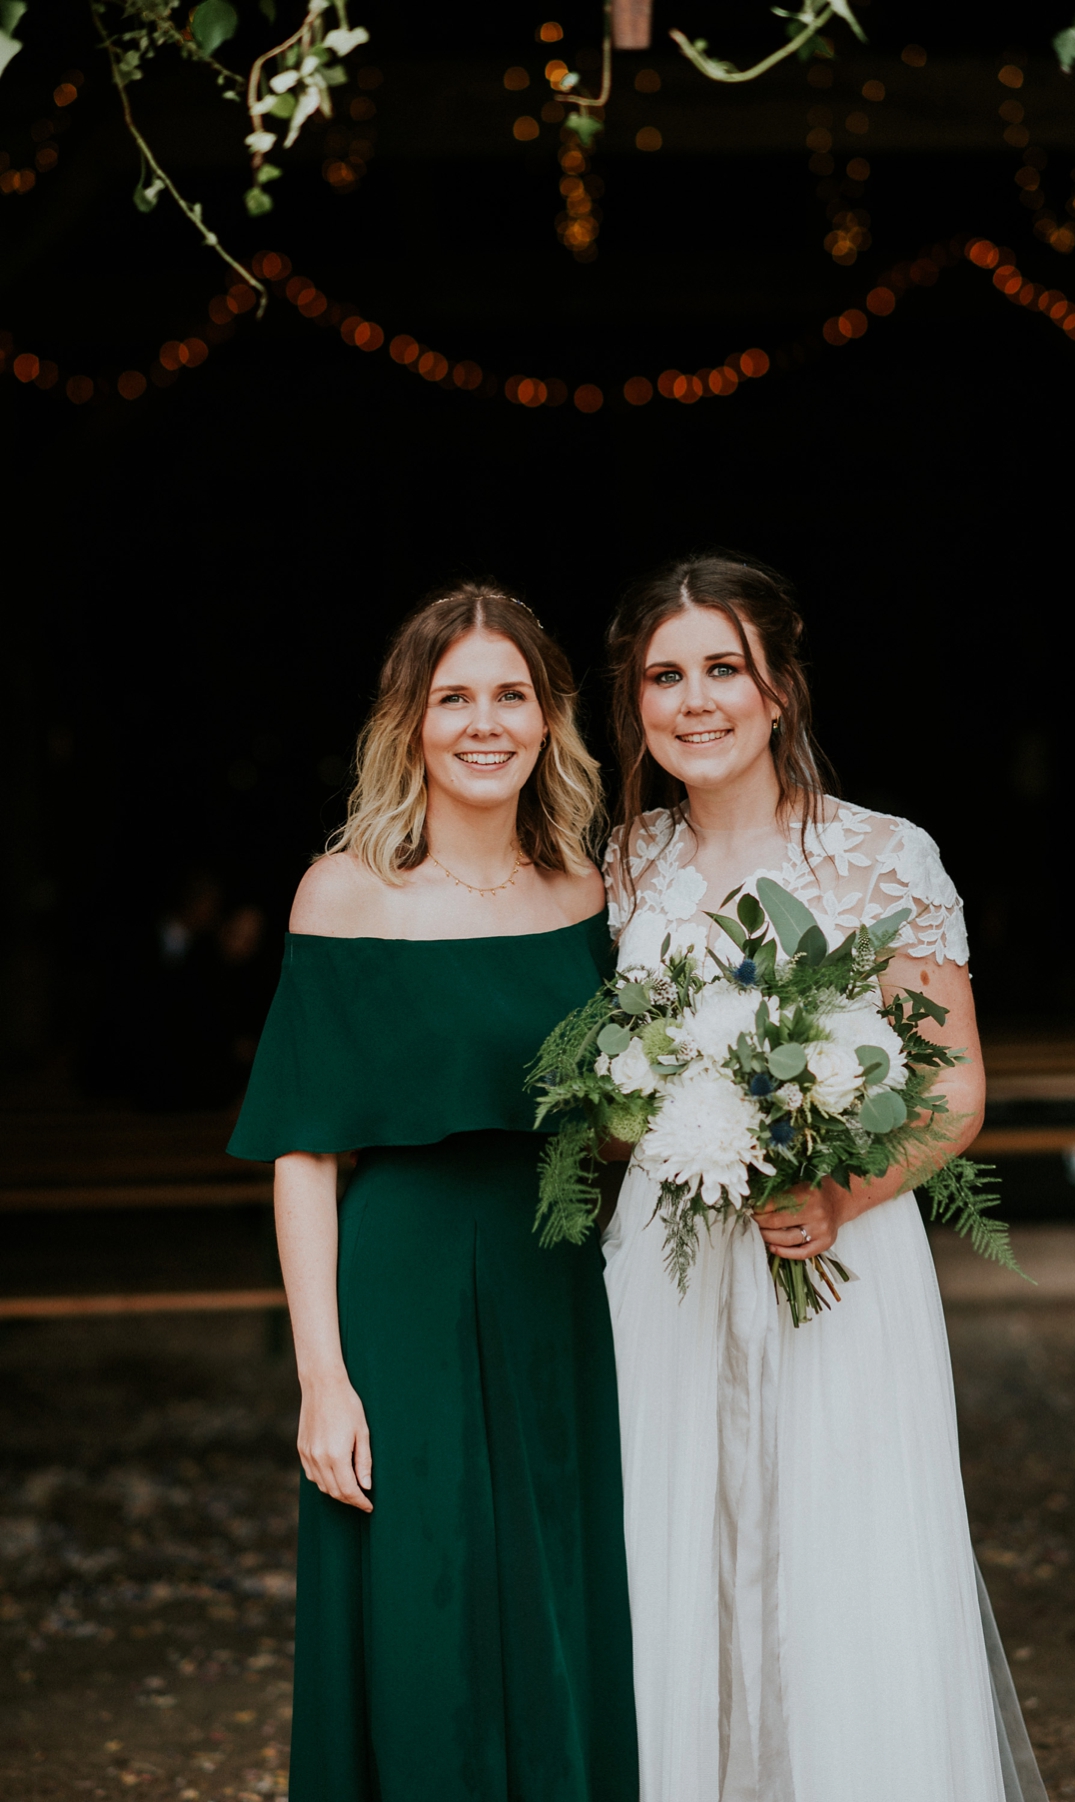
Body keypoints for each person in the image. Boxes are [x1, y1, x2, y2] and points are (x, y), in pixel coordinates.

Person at [599, 554, 1046, 1802]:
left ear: (780, 687)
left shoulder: (884, 857)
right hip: (668, 1264)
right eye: (664, 675)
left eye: (723, 668)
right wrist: (665, 1120)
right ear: (635, 704)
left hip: (840, 1257)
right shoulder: (615, 868)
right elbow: (594, 1094)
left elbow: (952, 1088)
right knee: (668, 1543)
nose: (696, 700)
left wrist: (841, 1187)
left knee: (847, 1554)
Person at [227, 584, 639, 1802]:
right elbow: (306, 1149)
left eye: (510, 694)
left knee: (560, 1594)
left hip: (559, 1285)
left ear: (550, 716)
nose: (483, 722)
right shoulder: (344, 893)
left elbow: (623, 1122)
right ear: (408, 721)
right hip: (397, 1287)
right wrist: (322, 1374)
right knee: (418, 1604)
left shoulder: (588, 891)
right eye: (453, 696)